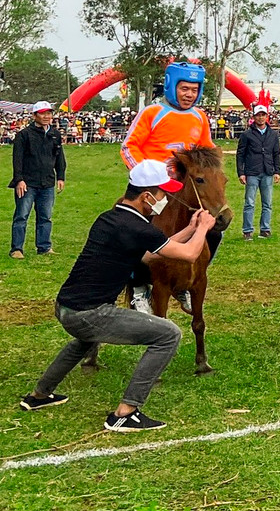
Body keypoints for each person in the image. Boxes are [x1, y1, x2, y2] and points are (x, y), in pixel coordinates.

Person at [18, 160, 215, 432]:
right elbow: (190, 254)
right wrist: (204, 228)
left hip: (67, 307)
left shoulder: (112, 218)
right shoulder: (137, 227)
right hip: (90, 313)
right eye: (162, 194)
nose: (165, 200)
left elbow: (150, 254)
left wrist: (191, 229)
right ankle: (126, 412)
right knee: (168, 335)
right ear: (147, 196)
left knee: (84, 340)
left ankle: (39, 396)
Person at [121, 62, 219, 313]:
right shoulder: (152, 112)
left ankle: (188, 282)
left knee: (214, 228)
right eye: (184, 88)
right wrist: (146, 176)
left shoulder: (200, 117)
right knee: (134, 233)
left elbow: (206, 152)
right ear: (171, 85)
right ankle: (139, 285)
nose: (189, 94)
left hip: (187, 190)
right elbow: (128, 147)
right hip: (152, 189)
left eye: (194, 90)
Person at [10, 101, 66, 259]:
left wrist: (60, 176)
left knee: (45, 217)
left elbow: (59, 156)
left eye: (49, 113)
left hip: (47, 182)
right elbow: (17, 160)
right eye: (42, 113)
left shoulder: (55, 134)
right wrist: (19, 180)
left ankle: (44, 246)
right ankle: (17, 249)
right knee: (21, 216)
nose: (47, 116)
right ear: (34, 115)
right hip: (27, 183)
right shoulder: (24, 135)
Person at [236, 104, 280, 240]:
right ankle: (247, 230)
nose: (261, 118)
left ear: (266, 117)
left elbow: (276, 154)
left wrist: (277, 171)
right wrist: (241, 172)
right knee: (249, 202)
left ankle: (265, 229)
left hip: (267, 171)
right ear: (254, 117)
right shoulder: (246, 135)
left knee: (267, 203)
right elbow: (240, 154)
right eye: (258, 115)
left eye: (263, 115)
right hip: (252, 172)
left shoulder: (273, 134)